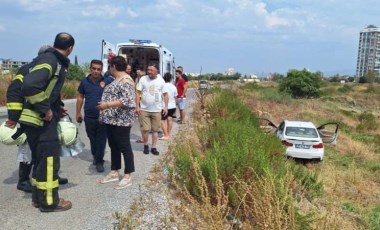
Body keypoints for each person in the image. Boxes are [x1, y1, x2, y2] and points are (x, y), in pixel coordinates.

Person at [19, 32, 74, 212]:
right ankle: (50, 202)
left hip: (34, 121)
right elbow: (30, 85)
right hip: (41, 121)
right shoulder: (52, 61)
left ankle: (38, 199)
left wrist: (57, 107)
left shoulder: (47, 59)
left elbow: (47, 89)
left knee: (40, 161)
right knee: (49, 162)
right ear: (70, 49)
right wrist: (47, 109)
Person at [5, 45, 67, 194]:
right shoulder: (28, 69)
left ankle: (50, 176)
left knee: (47, 151)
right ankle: (23, 180)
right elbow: (14, 93)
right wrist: (13, 117)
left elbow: (52, 93)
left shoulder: (52, 69)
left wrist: (59, 109)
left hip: (46, 117)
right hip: (29, 117)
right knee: (28, 149)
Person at [97, 56, 136, 190]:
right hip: (112, 119)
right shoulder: (116, 79)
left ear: (114, 66)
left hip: (122, 120)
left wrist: (106, 105)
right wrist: (104, 114)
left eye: (110, 66)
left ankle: (127, 176)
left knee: (124, 146)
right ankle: (114, 171)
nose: (109, 69)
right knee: (113, 146)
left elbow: (128, 101)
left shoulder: (126, 80)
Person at [76, 59, 113, 173]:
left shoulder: (107, 81)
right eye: (94, 68)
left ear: (102, 70)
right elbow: (80, 97)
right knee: (92, 138)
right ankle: (95, 156)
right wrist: (78, 112)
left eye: (98, 69)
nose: (96, 71)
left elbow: (113, 97)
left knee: (101, 139)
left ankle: (99, 161)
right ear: (90, 69)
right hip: (89, 116)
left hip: (103, 117)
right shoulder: (84, 82)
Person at [136, 64, 168, 155]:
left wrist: (165, 107)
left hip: (157, 110)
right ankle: (146, 145)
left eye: (151, 70)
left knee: (155, 130)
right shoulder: (143, 79)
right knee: (145, 129)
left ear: (156, 71)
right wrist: (137, 106)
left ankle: (153, 147)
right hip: (144, 109)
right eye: (148, 69)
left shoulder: (161, 81)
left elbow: (165, 94)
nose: (149, 71)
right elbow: (138, 93)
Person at [159, 73, 177, 140]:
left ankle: (166, 135)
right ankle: (168, 133)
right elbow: (175, 97)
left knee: (162, 120)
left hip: (164, 106)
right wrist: (175, 106)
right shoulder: (173, 87)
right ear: (171, 79)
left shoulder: (162, 86)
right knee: (170, 119)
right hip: (172, 105)